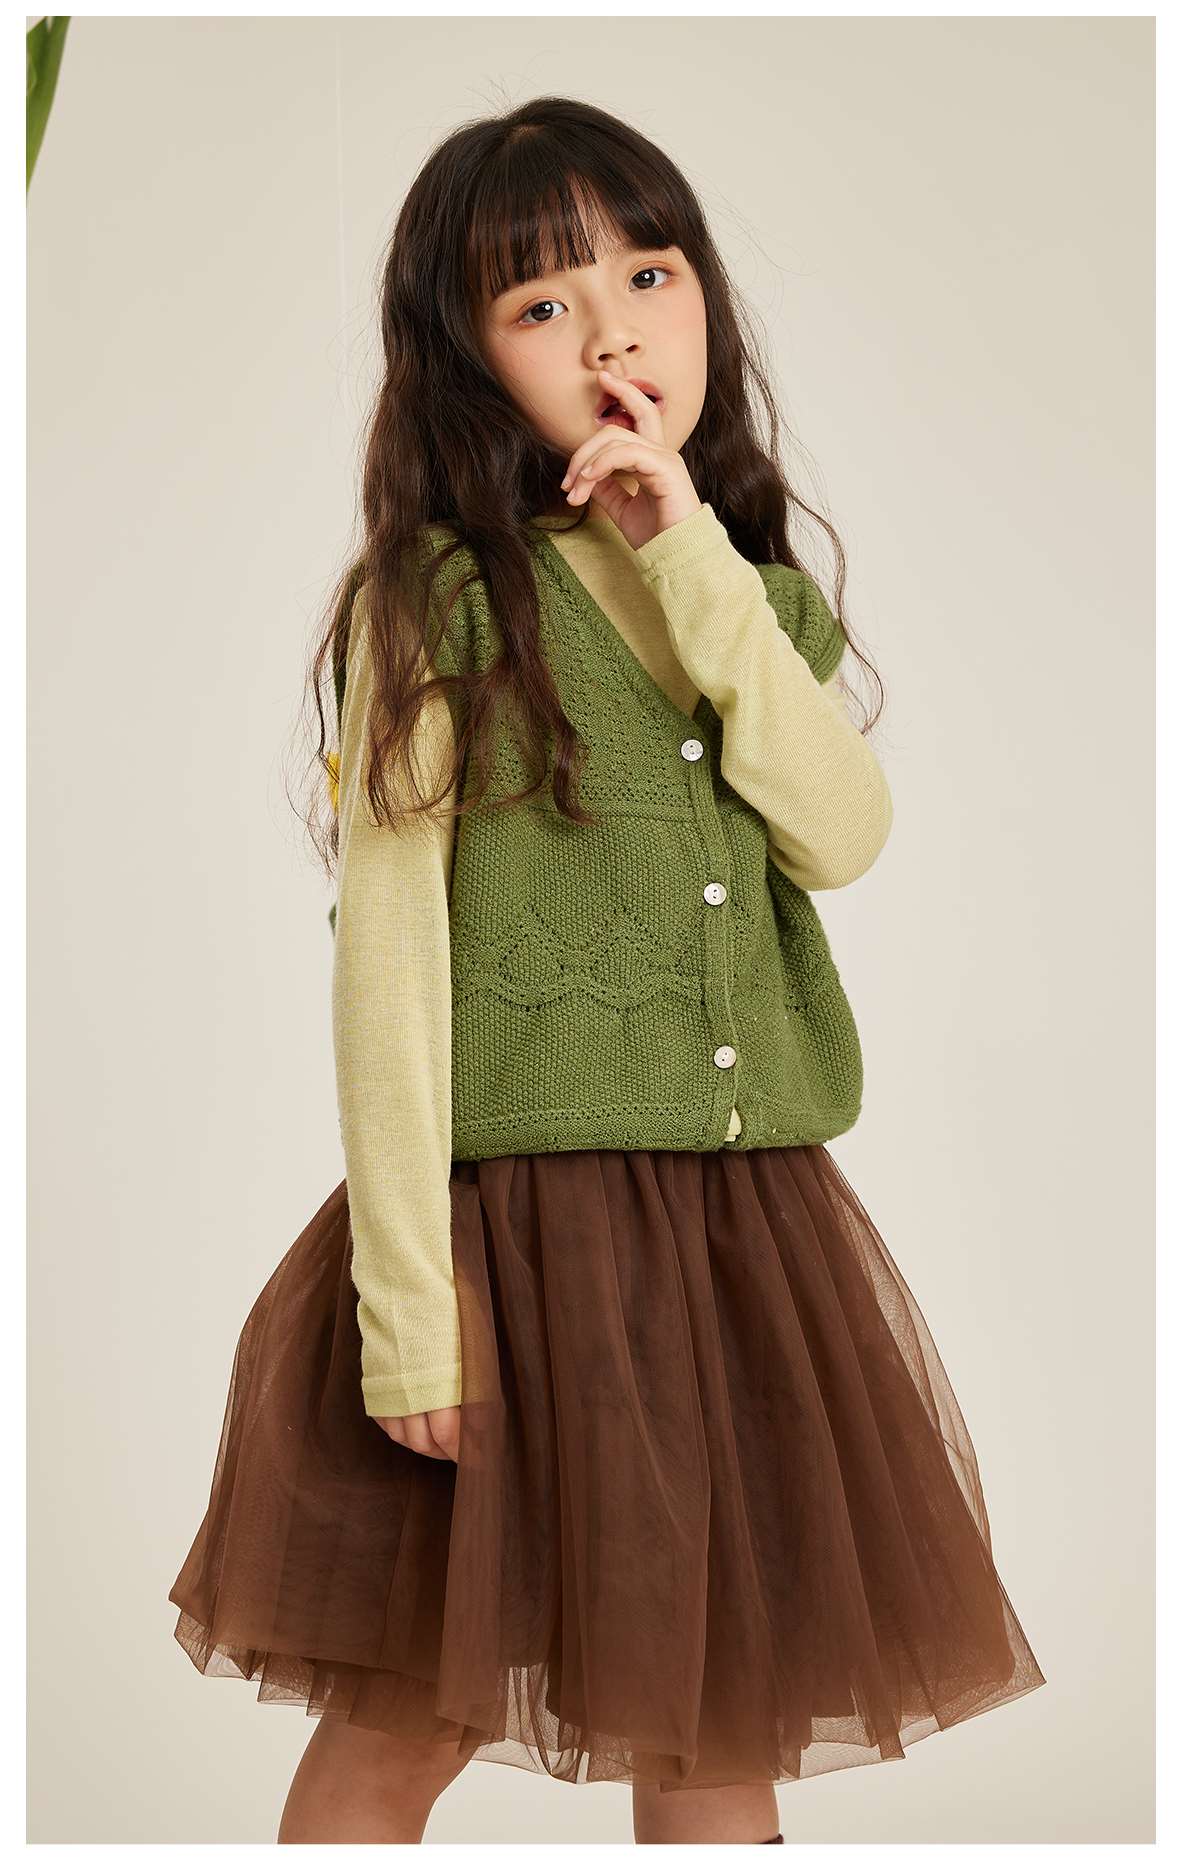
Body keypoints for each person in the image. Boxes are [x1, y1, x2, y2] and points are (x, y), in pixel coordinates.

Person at [168, 95, 1046, 1845]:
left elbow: (842, 831)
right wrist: (410, 1309)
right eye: (543, 302)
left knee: (721, 1731)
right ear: (468, 358)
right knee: (405, 1722)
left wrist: (684, 549)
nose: (615, 333)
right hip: (512, 1247)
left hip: (742, 1251)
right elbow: (389, 970)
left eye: (649, 275)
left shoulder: (750, 600)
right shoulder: (439, 601)